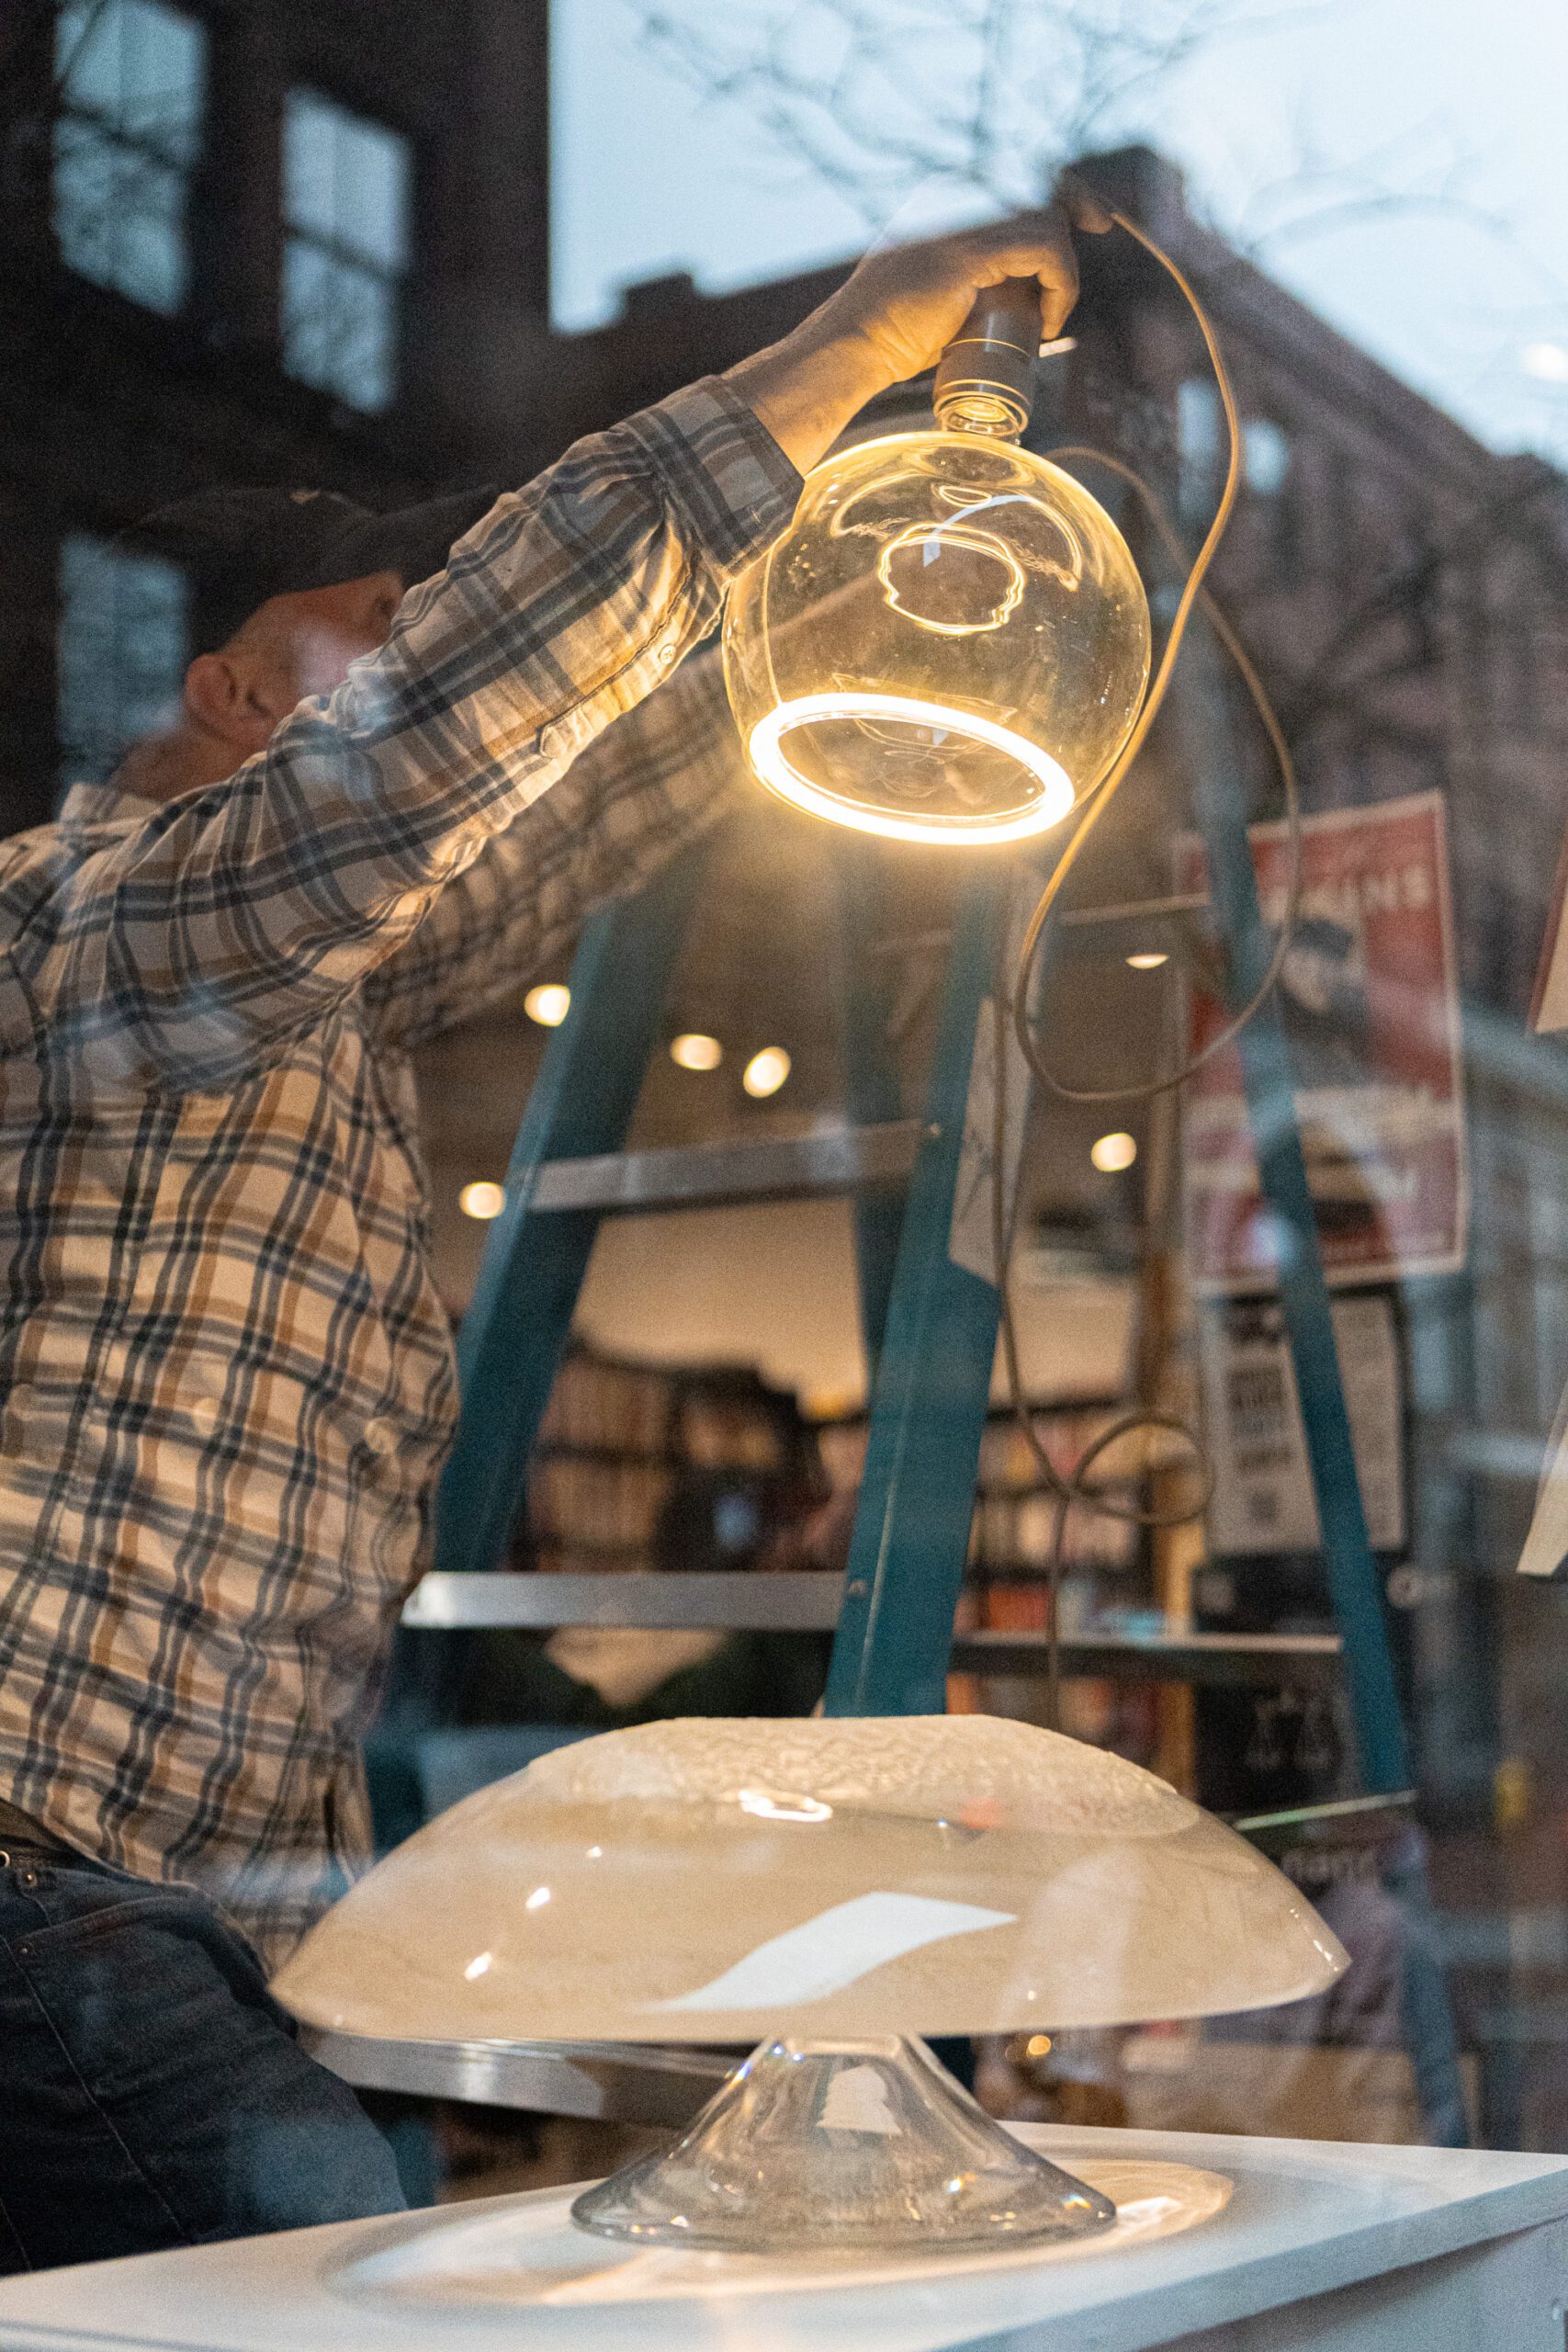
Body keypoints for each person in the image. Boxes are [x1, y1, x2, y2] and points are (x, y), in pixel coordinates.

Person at [0, 200, 1104, 2273]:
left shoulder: (314, 1003)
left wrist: (907, 569)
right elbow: (426, 761)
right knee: (345, 2290)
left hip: (171, 1916)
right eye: (374, 656)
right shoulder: (81, 935)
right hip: (35, 1882)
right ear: (241, 697)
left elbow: (569, 789)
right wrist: (842, 357)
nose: (451, 699)